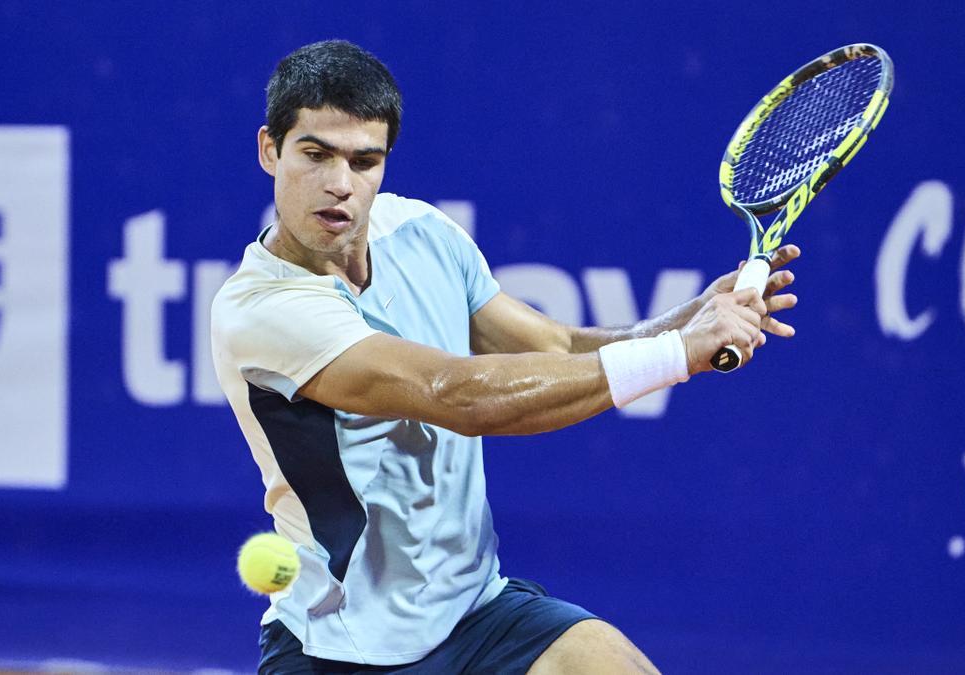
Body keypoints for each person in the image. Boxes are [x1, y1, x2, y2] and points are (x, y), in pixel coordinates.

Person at [212, 40, 799, 674]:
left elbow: (557, 346)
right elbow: (457, 395)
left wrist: (685, 320)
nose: (340, 185)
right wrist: (678, 353)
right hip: (341, 645)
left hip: (478, 612)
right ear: (270, 149)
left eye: (364, 161)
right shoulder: (260, 309)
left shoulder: (423, 233)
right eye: (316, 154)